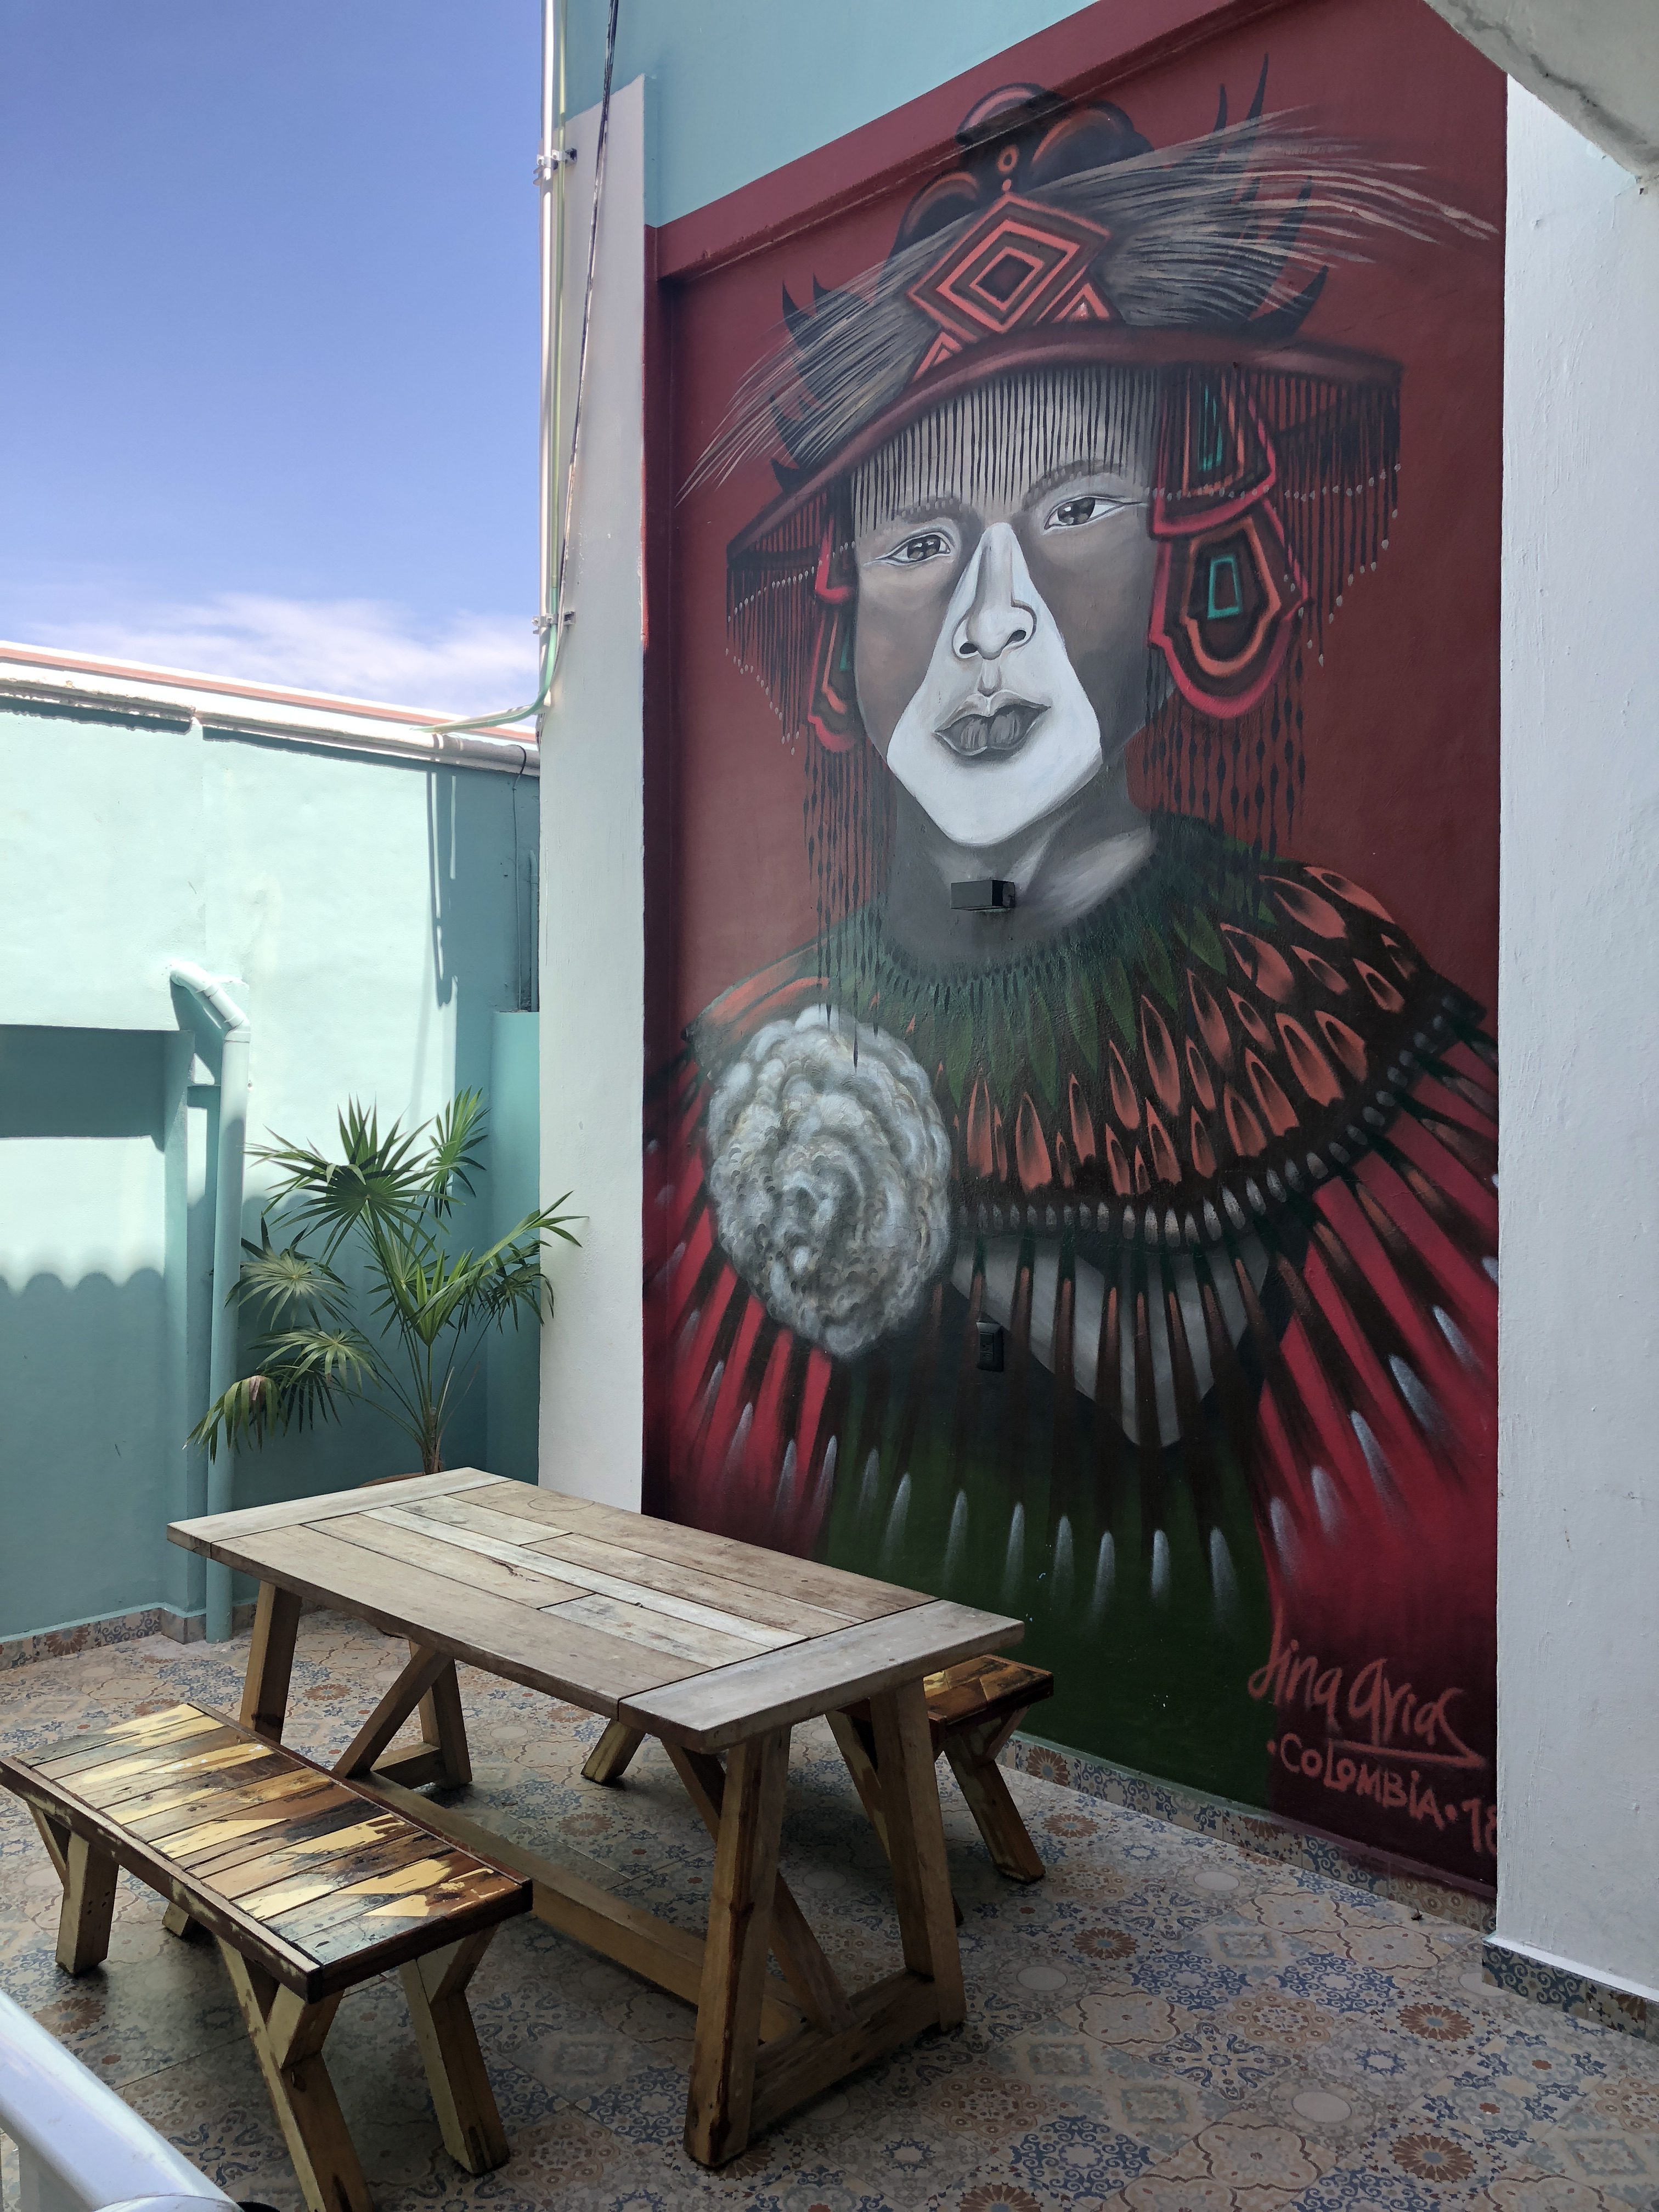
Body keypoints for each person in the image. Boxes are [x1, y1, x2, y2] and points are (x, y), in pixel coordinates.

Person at [645, 77, 1497, 1878]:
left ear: (1201, 560)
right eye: (922, 541)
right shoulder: (727, 1068)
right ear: (845, 619)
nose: (992, 618)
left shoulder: (1350, 1035)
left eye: (1081, 502)